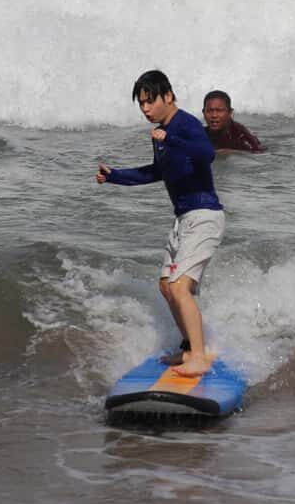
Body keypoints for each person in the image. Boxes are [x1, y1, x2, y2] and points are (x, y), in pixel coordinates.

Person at [96, 70, 225, 377]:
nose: (145, 109)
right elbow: (156, 172)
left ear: (168, 96)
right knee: (166, 286)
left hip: (204, 216)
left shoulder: (186, 124)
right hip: (183, 219)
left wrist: (172, 139)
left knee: (180, 287)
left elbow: (207, 154)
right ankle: (189, 347)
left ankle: (199, 357)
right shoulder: (161, 134)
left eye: (150, 101)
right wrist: (115, 176)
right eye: (141, 103)